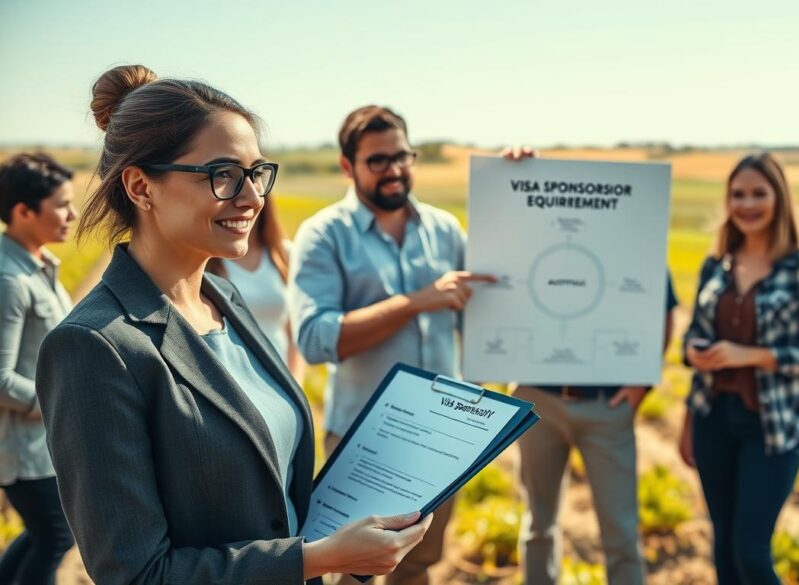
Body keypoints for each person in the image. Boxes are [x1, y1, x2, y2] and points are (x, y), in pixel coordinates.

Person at [34, 65, 431, 585]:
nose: (251, 197)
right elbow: (136, 575)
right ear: (140, 187)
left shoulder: (225, 299)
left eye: (256, 173)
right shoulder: (94, 347)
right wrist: (320, 558)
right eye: (222, 175)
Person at [288, 106, 530, 584]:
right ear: (346, 166)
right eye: (378, 160)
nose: (395, 169)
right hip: (362, 440)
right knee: (350, 573)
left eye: (402, 156)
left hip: (444, 443)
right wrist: (415, 302)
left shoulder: (445, 229)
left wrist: (519, 184)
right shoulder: (323, 235)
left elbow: (495, 301)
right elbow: (316, 340)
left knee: (418, 564)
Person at [678, 152, 799, 585]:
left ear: (779, 198)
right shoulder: (717, 264)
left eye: (758, 193)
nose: (747, 204)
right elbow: (693, 338)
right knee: (722, 545)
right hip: (712, 417)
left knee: (751, 553)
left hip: (772, 427)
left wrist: (753, 355)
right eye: (738, 194)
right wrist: (695, 357)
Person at [514, 274, 678, 585]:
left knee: (620, 530)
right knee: (538, 521)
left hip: (607, 406)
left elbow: (662, 309)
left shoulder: (634, 237)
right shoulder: (532, 231)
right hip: (537, 401)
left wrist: (642, 383)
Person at [0, 152, 76, 585]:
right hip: (23, 450)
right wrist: (63, 404)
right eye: (61, 205)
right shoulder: (9, 280)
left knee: (44, 536)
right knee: (55, 537)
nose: (73, 214)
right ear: (23, 212)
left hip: (42, 443)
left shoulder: (38, 264)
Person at [207, 196, 305, 381]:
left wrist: (295, 384)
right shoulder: (209, 260)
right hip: (234, 382)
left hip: (280, 378)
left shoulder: (284, 255)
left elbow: (295, 333)